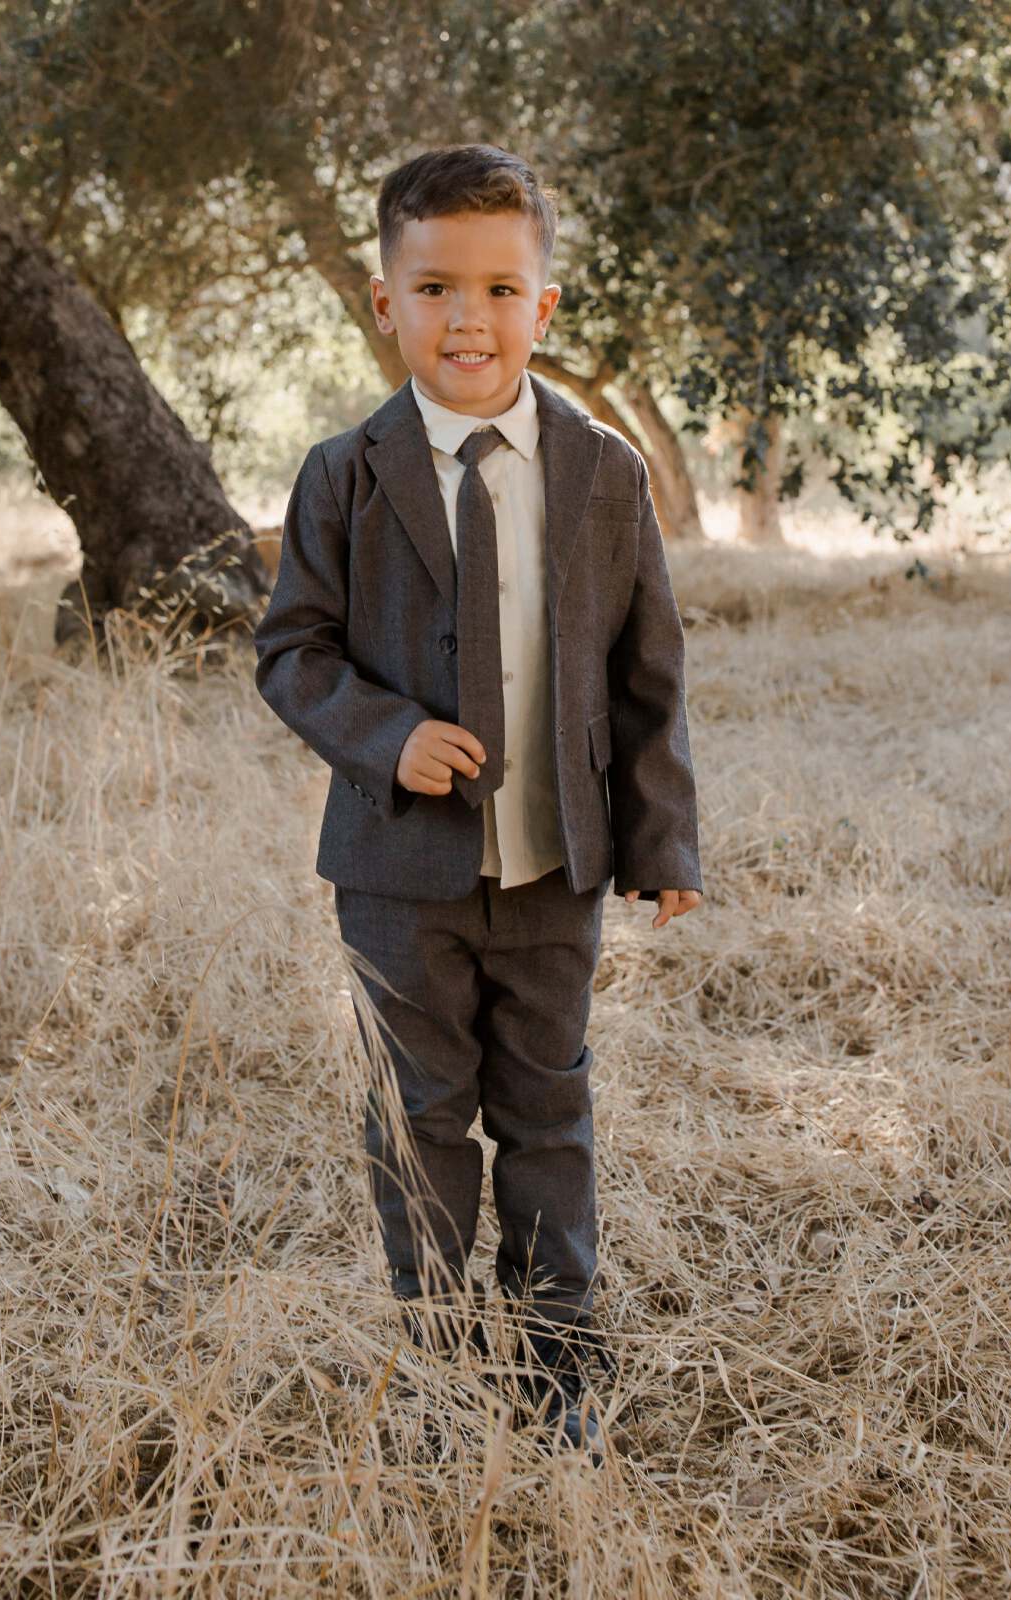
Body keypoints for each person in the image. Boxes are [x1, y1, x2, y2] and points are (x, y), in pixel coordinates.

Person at [252, 143, 702, 1464]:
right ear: (385, 303)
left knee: (549, 1110)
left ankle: (560, 1356)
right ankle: (442, 1360)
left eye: (501, 290)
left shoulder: (605, 472)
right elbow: (293, 652)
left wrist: (662, 836)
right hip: (399, 877)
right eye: (436, 287)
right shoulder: (344, 474)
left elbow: (648, 670)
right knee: (420, 1119)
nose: (469, 318)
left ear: (542, 307)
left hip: (555, 864)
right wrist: (387, 736)